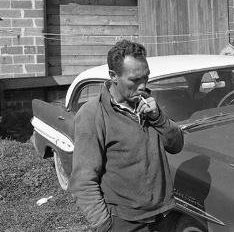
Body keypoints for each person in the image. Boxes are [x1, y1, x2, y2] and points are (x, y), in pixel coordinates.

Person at [70, 40, 184, 232]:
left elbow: (176, 145)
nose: (143, 86)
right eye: (134, 80)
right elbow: (83, 180)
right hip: (125, 222)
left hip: (164, 216)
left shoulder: (148, 103)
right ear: (113, 76)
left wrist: (158, 118)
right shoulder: (93, 114)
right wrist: (105, 225)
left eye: (146, 78)